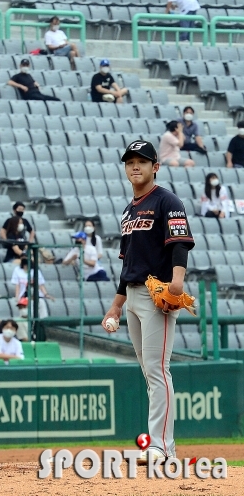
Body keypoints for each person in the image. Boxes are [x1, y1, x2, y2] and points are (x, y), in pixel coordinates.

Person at [102, 140, 195, 464]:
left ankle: (161, 447)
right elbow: (128, 262)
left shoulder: (167, 200)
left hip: (159, 295)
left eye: (141, 161)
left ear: (156, 166)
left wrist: (177, 281)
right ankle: (160, 445)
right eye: (130, 162)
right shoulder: (129, 210)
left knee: (157, 370)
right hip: (133, 295)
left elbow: (180, 244)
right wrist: (116, 304)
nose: (135, 167)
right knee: (149, 372)